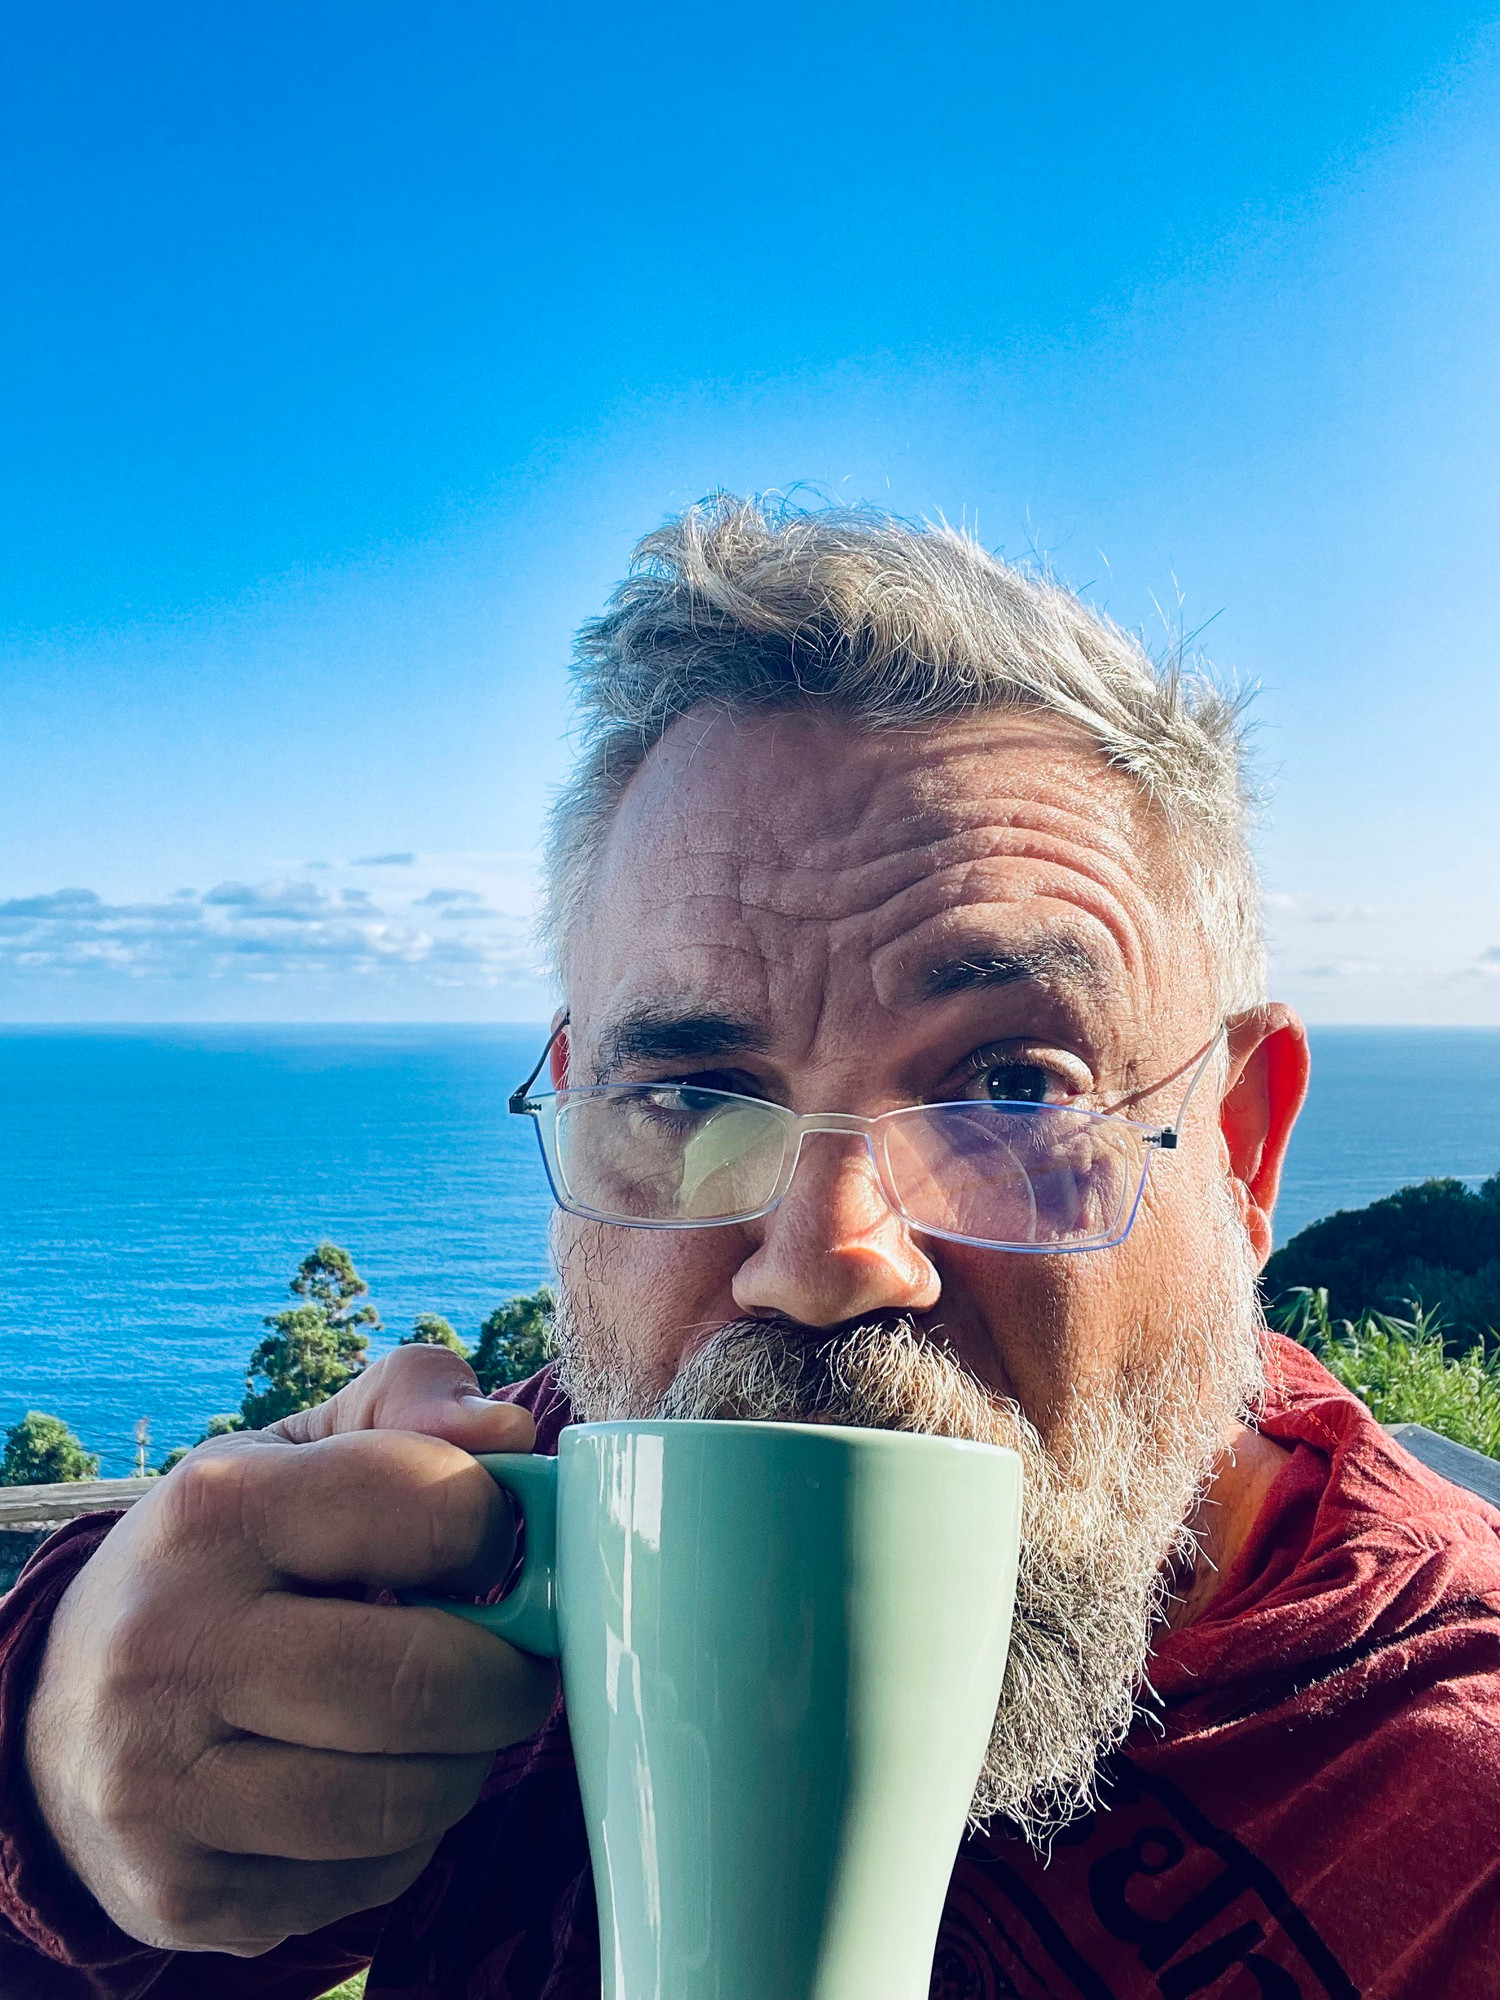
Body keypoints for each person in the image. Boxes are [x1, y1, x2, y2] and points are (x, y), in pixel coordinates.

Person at [3, 498, 1497, 2000]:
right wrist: (58, 1762)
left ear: (1239, 1148)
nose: (822, 1260)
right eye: (690, 1095)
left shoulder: (1448, 1801)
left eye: (1008, 1087)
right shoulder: (507, 1567)